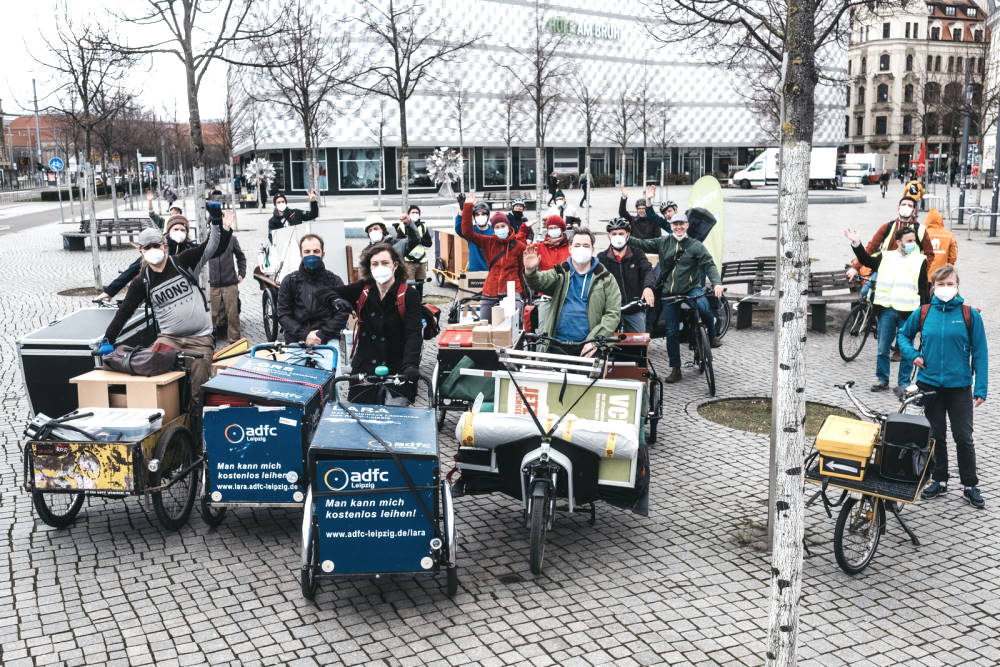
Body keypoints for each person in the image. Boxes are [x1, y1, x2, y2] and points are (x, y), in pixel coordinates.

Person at [102, 211, 234, 412]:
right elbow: (125, 311)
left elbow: (210, 247)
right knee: (151, 370)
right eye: (148, 247)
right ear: (141, 251)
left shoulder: (182, 261)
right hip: (168, 339)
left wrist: (216, 222)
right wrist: (107, 339)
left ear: (164, 245)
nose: (153, 250)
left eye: (156, 245)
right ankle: (166, 418)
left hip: (199, 339)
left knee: (198, 386)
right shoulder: (142, 281)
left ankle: (197, 429)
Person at [898, 265, 987, 509]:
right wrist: (913, 355)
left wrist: (981, 388)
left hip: (959, 386)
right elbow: (903, 336)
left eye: (950, 284)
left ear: (957, 286)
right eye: (941, 284)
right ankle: (939, 480)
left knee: (963, 437)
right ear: (933, 287)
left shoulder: (970, 315)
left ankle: (970, 485)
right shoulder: (924, 312)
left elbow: (980, 353)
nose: (945, 288)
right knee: (936, 436)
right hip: (930, 385)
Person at [628, 212, 724, 383]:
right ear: (670, 226)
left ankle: (712, 335)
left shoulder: (695, 246)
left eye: (681, 224)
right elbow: (642, 243)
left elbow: (709, 264)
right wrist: (624, 235)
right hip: (669, 293)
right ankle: (675, 368)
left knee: (704, 307)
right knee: (672, 332)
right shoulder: (663, 242)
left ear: (687, 225)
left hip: (691, 289)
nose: (678, 227)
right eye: (675, 224)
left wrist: (716, 282)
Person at [323, 243, 422, 405]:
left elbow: (414, 333)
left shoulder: (408, 294)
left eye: (385, 263)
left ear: (395, 265)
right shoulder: (363, 289)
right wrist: (336, 300)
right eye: (375, 264)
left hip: (397, 368)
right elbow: (328, 292)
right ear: (369, 268)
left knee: (397, 417)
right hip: (365, 367)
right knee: (361, 416)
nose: (380, 267)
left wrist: (410, 365)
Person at [845, 225, 930, 392]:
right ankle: (882, 379)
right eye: (909, 241)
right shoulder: (885, 256)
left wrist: (924, 313)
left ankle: (904, 383)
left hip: (909, 311)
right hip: (886, 309)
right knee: (883, 348)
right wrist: (856, 244)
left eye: (914, 240)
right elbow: (866, 260)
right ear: (898, 242)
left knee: (906, 349)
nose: (913, 243)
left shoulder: (920, 259)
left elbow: (923, 288)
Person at [522, 228, 621, 357]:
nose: (581, 248)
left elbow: (612, 314)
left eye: (586, 245)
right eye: (577, 245)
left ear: (593, 249)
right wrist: (530, 271)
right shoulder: (561, 273)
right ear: (570, 248)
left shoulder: (606, 278)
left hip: (588, 347)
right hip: (556, 343)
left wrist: (595, 342)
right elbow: (540, 282)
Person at [276, 234, 349, 371]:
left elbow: (342, 313)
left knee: (335, 379)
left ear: (323, 254)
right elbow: (283, 314)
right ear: (301, 254)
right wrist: (304, 335)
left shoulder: (334, 281)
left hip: (326, 339)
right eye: (307, 252)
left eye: (316, 251)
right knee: (289, 380)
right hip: (296, 340)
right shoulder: (289, 281)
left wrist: (321, 335)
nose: (311, 255)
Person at [98, 214, 197, 301]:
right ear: (168, 231)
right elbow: (132, 270)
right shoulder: (158, 247)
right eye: (176, 229)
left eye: (183, 230)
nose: (179, 232)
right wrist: (109, 292)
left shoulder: (191, 248)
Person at [461, 195, 527, 320]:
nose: (500, 229)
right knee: (484, 321)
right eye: (497, 227)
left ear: (508, 226)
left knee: (515, 321)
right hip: (491, 288)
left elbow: (521, 271)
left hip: (512, 289)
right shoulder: (489, 242)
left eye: (503, 226)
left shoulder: (519, 246)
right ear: (493, 229)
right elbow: (467, 232)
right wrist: (467, 207)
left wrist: (521, 292)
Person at [845, 195, 933, 281]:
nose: (906, 207)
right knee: (866, 291)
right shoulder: (887, 226)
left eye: (910, 206)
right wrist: (856, 267)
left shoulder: (920, 229)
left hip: (910, 273)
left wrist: (922, 272)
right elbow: (871, 248)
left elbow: (930, 254)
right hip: (886, 269)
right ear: (898, 208)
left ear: (914, 210)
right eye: (903, 205)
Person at [598, 218, 655, 332]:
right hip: (610, 310)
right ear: (609, 235)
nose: (617, 236)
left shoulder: (637, 253)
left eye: (621, 233)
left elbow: (647, 270)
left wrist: (648, 287)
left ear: (627, 235)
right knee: (604, 342)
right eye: (614, 234)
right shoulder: (601, 258)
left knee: (640, 342)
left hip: (634, 308)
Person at [208, 224, 247, 343]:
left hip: (229, 283)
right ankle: (210, 340)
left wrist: (241, 273)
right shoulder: (206, 239)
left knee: (232, 314)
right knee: (212, 314)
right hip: (212, 284)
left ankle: (234, 341)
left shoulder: (232, 239)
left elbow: (241, 257)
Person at [393, 205, 433, 297]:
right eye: (413, 212)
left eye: (417, 212)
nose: (415, 214)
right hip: (408, 261)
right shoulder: (402, 226)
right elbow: (399, 243)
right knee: (408, 285)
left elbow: (429, 243)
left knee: (420, 285)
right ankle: (408, 304)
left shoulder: (423, 226)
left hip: (421, 261)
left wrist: (418, 239)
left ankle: (419, 304)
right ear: (408, 214)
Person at [455, 198, 493, 271]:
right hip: (474, 271)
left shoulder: (494, 231)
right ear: (474, 217)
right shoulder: (470, 231)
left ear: (488, 216)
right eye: (477, 214)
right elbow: (459, 229)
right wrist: (462, 210)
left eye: (483, 214)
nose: (480, 216)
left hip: (491, 271)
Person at [923, 208, 957, 279]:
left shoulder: (922, 233)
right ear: (940, 220)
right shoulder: (949, 235)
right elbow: (953, 257)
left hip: (924, 274)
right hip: (941, 274)